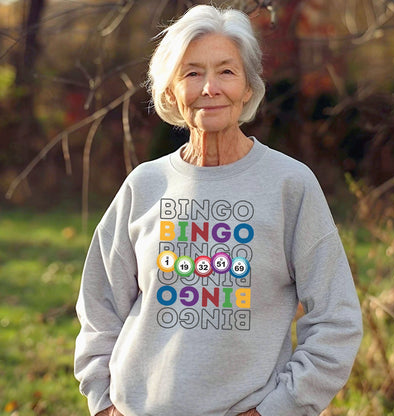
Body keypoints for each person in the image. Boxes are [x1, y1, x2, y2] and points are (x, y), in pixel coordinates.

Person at [74, 5, 363, 416]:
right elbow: (98, 306)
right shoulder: (144, 185)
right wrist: (103, 403)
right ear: (171, 91)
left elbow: (337, 320)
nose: (210, 87)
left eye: (226, 71)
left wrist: (278, 409)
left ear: (248, 88)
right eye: (192, 73)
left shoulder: (290, 185)